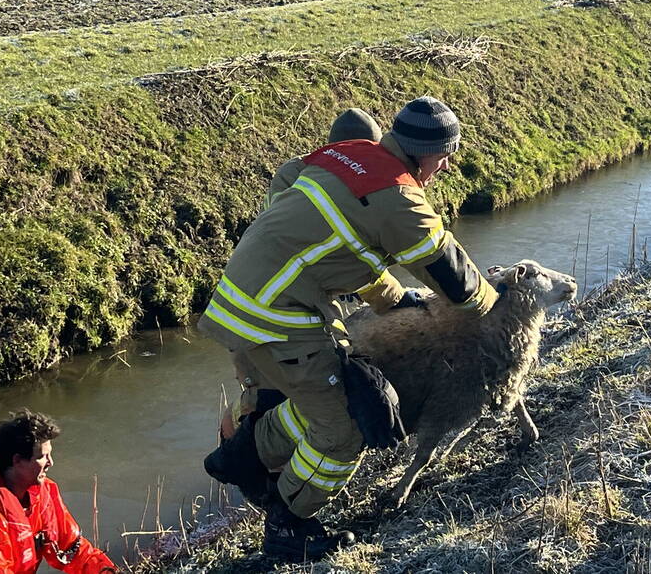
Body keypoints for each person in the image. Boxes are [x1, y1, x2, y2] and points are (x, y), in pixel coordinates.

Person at [198, 96, 499, 561]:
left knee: (310, 400)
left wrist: (396, 298)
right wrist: (495, 306)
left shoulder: (338, 159)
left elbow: (341, 253)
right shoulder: (399, 196)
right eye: (445, 156)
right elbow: (456, 279)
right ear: (428, 152)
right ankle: (289, 526)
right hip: (281, 319)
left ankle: (242, 457)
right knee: (347, 426)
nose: (444, 168)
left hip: (241, 305)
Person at [223, 107, 408, 441]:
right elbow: (342, 255)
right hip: (277, 314)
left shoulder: (304, 171)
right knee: (267, 402)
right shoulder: (307, 177)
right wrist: (393, 296)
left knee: (288, 401)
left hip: (269, 306)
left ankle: (249, 462)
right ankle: (242, 468)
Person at [0, 410, 117, 574]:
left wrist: (106, 571)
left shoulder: (43, 492)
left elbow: (73, 549)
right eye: (42, 457)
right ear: (17, 460)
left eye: (50, 454)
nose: (51, 462)